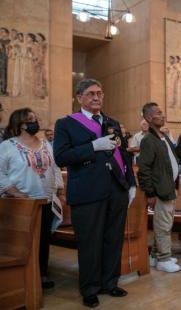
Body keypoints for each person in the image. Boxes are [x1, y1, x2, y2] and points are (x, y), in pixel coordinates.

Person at [54, 79, 136, 308]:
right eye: (90, 94)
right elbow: (61, 157)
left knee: (113, 238)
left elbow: (123, 154)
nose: (96, 97)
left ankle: (110, 283)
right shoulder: (66, 124)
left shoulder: (112, 122)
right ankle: (89, 288)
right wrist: (93, 147)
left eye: (99, 93)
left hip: (115, 188)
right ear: (79, 98)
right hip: (87, 190)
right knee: (90, 241)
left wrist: (130, 183)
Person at [0, 108, 64, 289]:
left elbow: (56, 168)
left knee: (43, 240)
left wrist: (60, 191)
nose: (35, 123)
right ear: (20, 124)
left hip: (46, 199)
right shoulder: (8, 146)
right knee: (23, 242)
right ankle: (22, 279)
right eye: (30, 120)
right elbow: (0, 172)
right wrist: (13, 191)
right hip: (21, 203)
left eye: (36, 119)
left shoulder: (46, 144)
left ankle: (41, 275)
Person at [137, 102, 181, 273]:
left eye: (162, 112)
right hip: (160, 190)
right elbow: (144, 169)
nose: (163, 115)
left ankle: (156, 255)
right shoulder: (148, 140)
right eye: (158, 113)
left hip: (170, 188)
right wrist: (150, 193)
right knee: (163, 225)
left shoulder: (162, 137)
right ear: (149, 118)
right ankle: (164, 258)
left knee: (166, 223)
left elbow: (176, 156)